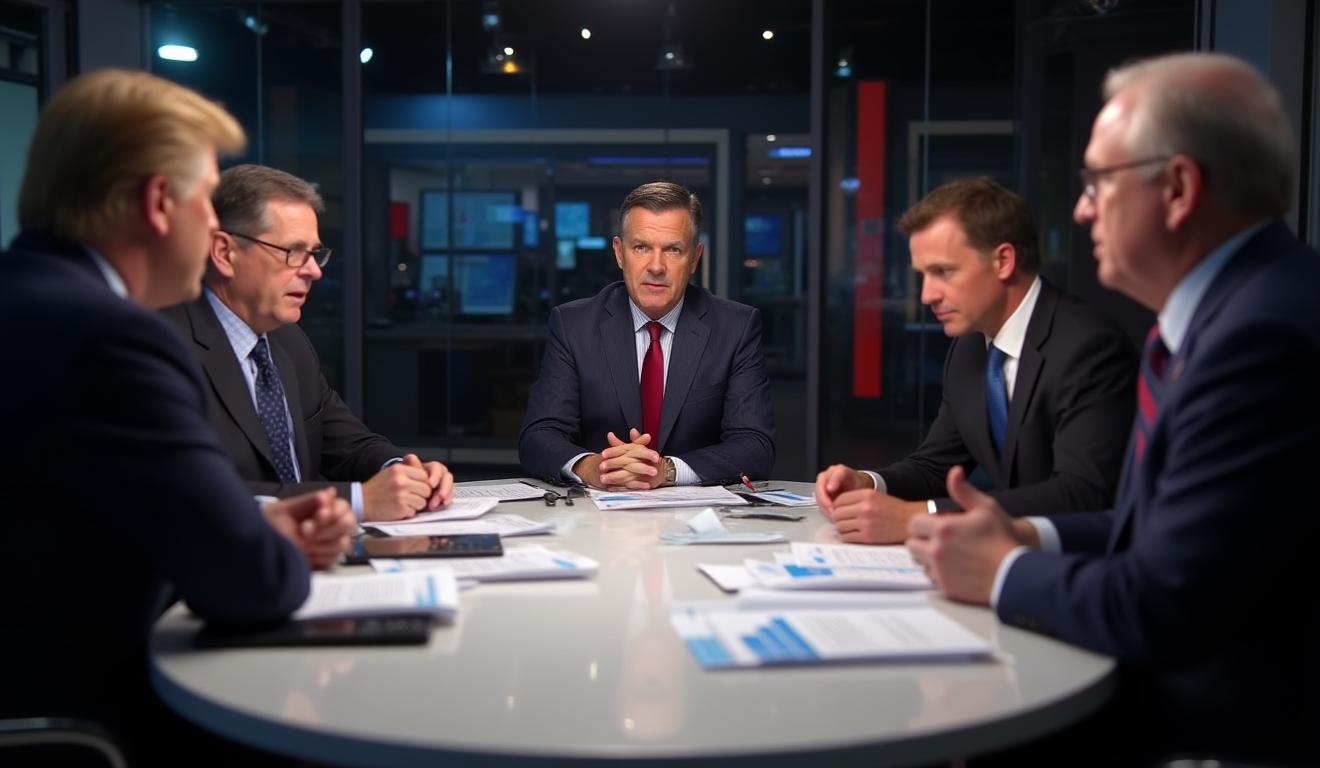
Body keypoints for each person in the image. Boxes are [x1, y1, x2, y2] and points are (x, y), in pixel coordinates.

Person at [907, 53, 1319, 763]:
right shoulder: (1223, 314)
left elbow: (1164, 604)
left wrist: (1002, 571)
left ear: (1178, 188)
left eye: (1099, 181)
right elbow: (1148, 531)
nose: (1080, 208)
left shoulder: (1259, 338)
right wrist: (1025, 535)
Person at [0, 70, 355, 754]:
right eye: (206, 200)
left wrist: (246, 529)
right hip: (77, 723)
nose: (215, 229)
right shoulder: (112, 337)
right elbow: (249, 582)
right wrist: (266, 547)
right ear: (159, 203)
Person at [815, 178, 1136, 544]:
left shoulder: (1088, 347)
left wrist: (919, 516)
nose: (927, 295)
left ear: (1003, 261)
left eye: (944, 272)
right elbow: (936, 466)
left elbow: (1082, 494)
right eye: (922, 275)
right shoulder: (969, 348)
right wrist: (869, 482)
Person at [163, 164, 453, 522]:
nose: (314, 271)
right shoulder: (165, 348)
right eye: (293, 251)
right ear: (224, 252)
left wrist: (404, 471)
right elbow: (192, 492)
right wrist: (357, 500)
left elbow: (347, 444)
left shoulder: (289, 339)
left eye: (315, 253)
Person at [518, 181, 774, 489]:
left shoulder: (736, 327)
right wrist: (593, 467)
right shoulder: (574, 325)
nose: (656, 266)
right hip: (597, 512)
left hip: (697, 512)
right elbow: (539, 436)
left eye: (673, 250)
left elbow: (755, 444)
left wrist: (665, 470)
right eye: (641, 247)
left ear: (694, 258)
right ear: (619, 253)